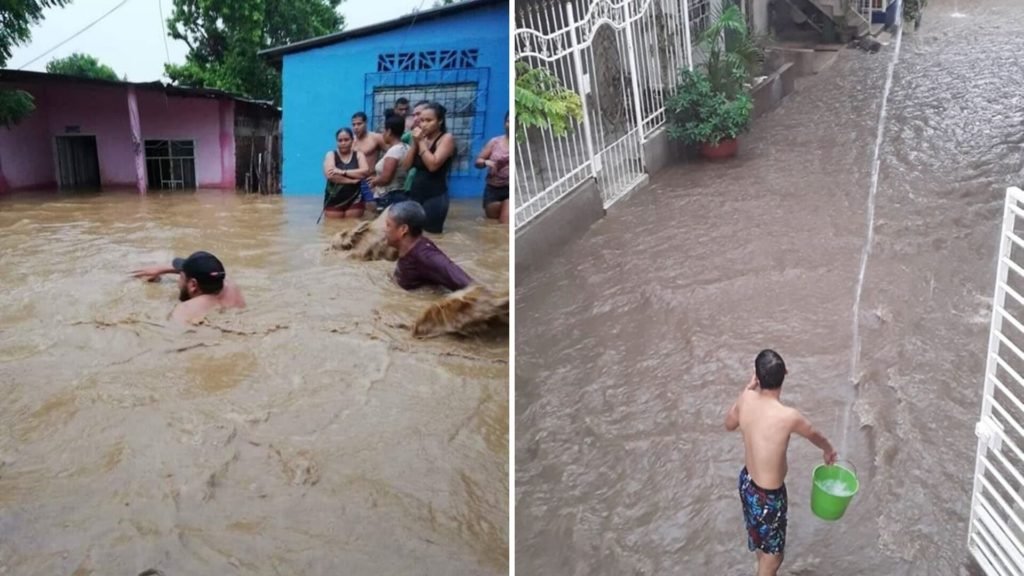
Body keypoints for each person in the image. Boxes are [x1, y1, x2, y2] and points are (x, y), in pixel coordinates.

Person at [724, 349, 837, 576]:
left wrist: (748, 389)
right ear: (785, 373)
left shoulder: (746, 398)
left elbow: (729, 424)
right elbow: (814, 434)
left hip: (747, 485)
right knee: (774, 558)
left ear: (756, 376)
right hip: (769, 498)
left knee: (762, 544)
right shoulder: (789, 416)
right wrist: (828, 450)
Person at [130, 251, 246, 324]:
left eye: (181, 276)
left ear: (193, 285)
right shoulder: (230, 285)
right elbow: (212, 273)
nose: (178, 281)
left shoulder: (184, 311)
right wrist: (162, 269)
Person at [384, 201, 472, 292]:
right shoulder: (408, 248)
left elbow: (473, 289)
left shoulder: (426, 257)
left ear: (403, 229)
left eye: (388, 225)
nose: (384, 230)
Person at [401, 102, 456, 234]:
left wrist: (421, 142)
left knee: (432, 237)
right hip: (415, 194)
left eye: (429, 120)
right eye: (422, 121)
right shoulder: (420, 139)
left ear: (440, 121)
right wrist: (415, 144)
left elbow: (433, 165)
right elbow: (406, 166)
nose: (424, 124)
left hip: (435, 196)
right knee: (411, 236)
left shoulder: (446, 138)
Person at [322, 128, 370, 218]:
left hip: (355, 198)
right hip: (334, 199)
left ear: (352, 140)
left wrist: (343, 172)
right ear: (336, 142)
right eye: (340, 140)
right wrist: (351, 181)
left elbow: (365, 172)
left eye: (346, 140)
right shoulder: (331, 155)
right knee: (333, 226)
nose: (343, 143)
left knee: (353, 225)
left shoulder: (359, 155)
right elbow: (330, 175)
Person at [368, 114, 410, 211]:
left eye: (384, 131)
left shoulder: (394, 151)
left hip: (390, 196)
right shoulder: (407, 147)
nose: (382, 134)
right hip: (401, 193)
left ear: (389, 131)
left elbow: (386, 179)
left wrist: (373, 181)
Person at [475, 111, 510, 223]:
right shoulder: (495, 142)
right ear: (504, 123)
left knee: (506, 212)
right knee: (493, 218)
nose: (510, 125)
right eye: (508, 121)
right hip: (493, 189)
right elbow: (477, 161)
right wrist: (486, 162)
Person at [351, 112, 385, 206]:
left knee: (371, 208)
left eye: (359, 124)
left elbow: (391, 154)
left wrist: (380, 176)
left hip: (370, 181)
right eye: (353, 124)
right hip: (354, 182)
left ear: (366, 123)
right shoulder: (350, 141)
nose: (356, 127)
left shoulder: (376, 138)